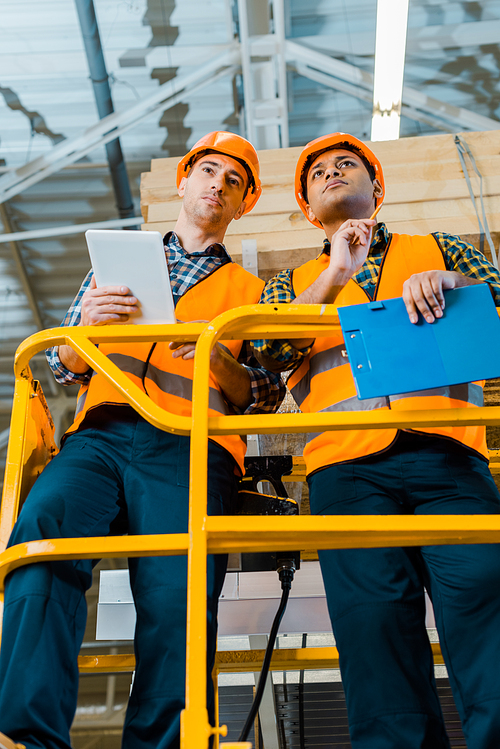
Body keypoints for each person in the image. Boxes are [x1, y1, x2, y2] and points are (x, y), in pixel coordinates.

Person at [0, 131, 284, 749]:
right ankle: (24, 732)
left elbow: (262, 394)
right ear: (182, 184)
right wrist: (84, 327)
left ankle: (164, 743)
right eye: (207, 171)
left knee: (178, 596)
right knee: (41, 542)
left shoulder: (252, 293)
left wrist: (214, 357)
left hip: (190, 446)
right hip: (101, 437)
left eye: (233, 181)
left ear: (243, 205)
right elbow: (64, 368)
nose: (217, 184)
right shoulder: (113, 267)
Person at [253, 132, 500, 749]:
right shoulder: (293, 283)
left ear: (377, 190)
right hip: (347, 472)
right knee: (374, 638)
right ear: (310, 208)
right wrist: (338, 273)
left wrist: (453, 284)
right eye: (319, 174)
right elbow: (268, 354)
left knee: (487, 616)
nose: (333, 174)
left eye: (347, 166)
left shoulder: (437, 249)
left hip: (450, 459)